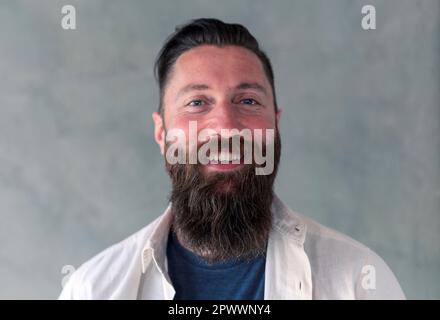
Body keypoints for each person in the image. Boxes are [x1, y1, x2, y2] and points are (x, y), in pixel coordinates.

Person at [59, 18, 405, 300]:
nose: (225, 127)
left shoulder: (358, 281)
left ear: (275, 124)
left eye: (248, 101)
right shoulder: (92, 291)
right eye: (197, 103)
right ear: (162, 132)